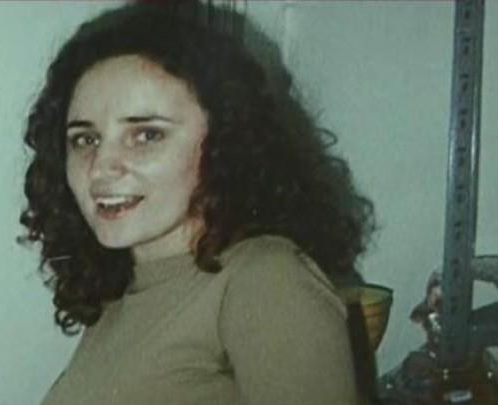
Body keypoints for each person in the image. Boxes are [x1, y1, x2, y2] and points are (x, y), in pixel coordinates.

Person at [19, 2, 375, 404]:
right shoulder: (124, 293)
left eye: (146, 135)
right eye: (85, 139)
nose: (101, 167)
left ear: (226, 142)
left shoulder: (264, 280)